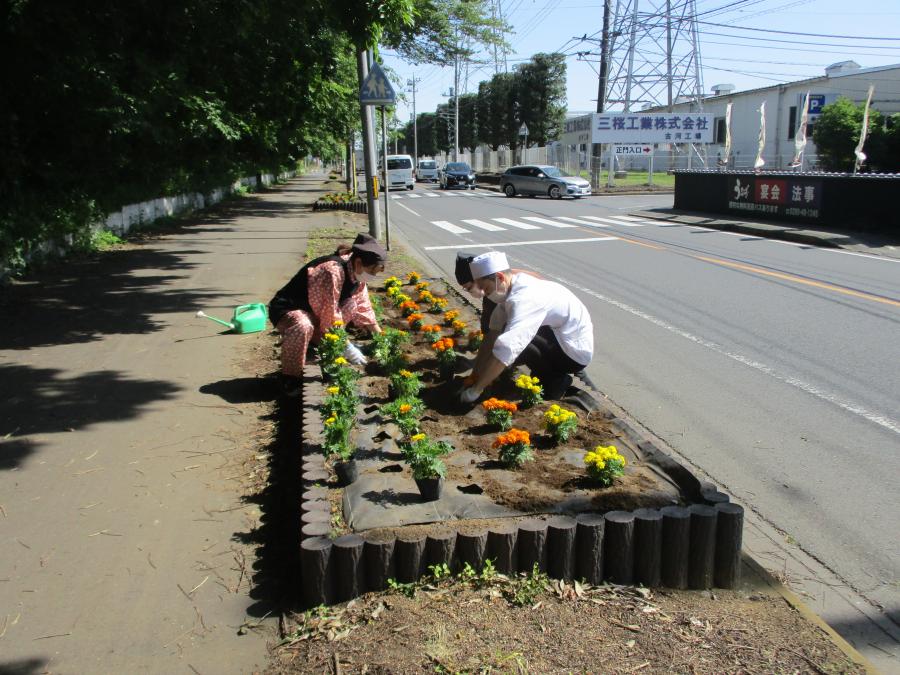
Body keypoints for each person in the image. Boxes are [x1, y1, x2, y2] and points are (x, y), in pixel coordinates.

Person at [459, 251, 593, 403]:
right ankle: (541, 371)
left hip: (574, 353)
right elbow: (492, 334)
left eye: (486, 288)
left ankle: (555, 380)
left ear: (500, 278)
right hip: (557, 337)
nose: (484, 293)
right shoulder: (509, 288)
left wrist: (476, 391)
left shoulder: (525, 299)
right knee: (507, 334)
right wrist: (475, 374)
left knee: (517, 340)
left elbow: (508, 346)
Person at [268, 233, 386, 395]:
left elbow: (363, 306)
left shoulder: (357, 273)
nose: (372, 276)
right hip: (290, 309)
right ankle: (290, 378)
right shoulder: (332, 271)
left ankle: (319, 342)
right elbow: (330, 315)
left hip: (317, 312)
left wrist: (381, 338)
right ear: (359, 262)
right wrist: (347, 347)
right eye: (372, 271)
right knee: (303, 326)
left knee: (351, 304)